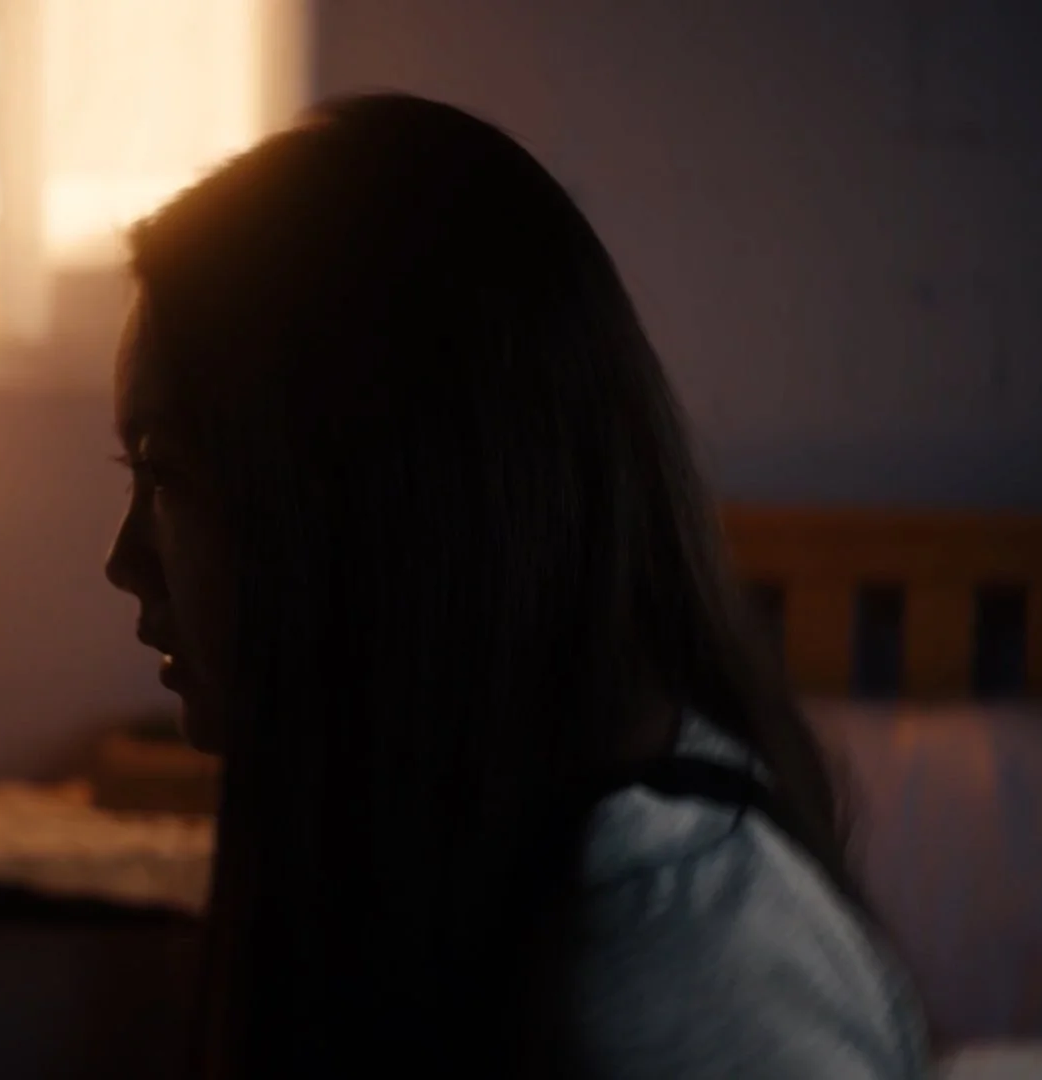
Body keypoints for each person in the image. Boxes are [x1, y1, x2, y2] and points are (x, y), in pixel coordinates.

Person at [104, 92, 932, 1080]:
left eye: (166, 472)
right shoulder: (449, 850)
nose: (124, 560)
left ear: (374, 496)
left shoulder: (677, 978)